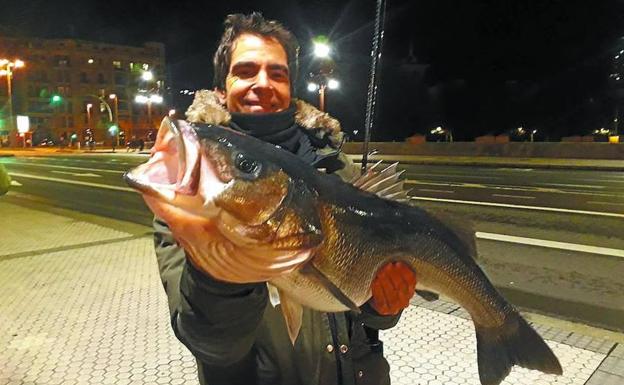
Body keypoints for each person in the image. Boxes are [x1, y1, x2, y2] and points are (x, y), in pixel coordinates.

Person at [153, 12, 417, 385]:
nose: (263, 83)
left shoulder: (338, 170)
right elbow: (213, 343)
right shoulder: (187, 199)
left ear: (291, 88)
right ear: (221, 90)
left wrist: (382, 306)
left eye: (277, 73)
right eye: (245, 71)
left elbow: (365, 304)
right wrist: (225, 262)